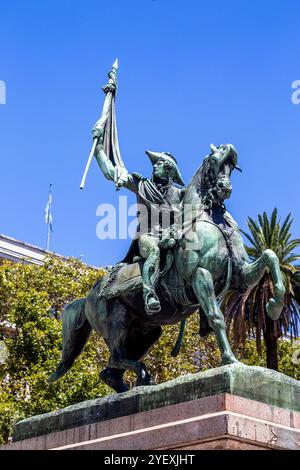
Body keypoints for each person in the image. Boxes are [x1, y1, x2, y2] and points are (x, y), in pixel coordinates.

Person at [93, 125, 185, 315]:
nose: (154, 166)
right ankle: (149, 293)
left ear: (168, 170)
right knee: (153, 250)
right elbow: (111, 172)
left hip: (173, 237)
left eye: (158, 164)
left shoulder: (180, 195)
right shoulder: (142, 185)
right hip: (148, 235)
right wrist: (98, 149)